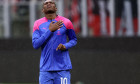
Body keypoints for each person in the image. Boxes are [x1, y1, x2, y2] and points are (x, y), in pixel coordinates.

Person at [32, 0, 77, 84]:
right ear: (42, 10)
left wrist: (65, 46)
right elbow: (35, 44)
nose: (48, 4)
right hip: (45, 70)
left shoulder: (66, 22)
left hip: (62, 69)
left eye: (51, 3)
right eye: (46, 3)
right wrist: (50, 30)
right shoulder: (37, 24)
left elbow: (74, 40)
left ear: (56, 8)